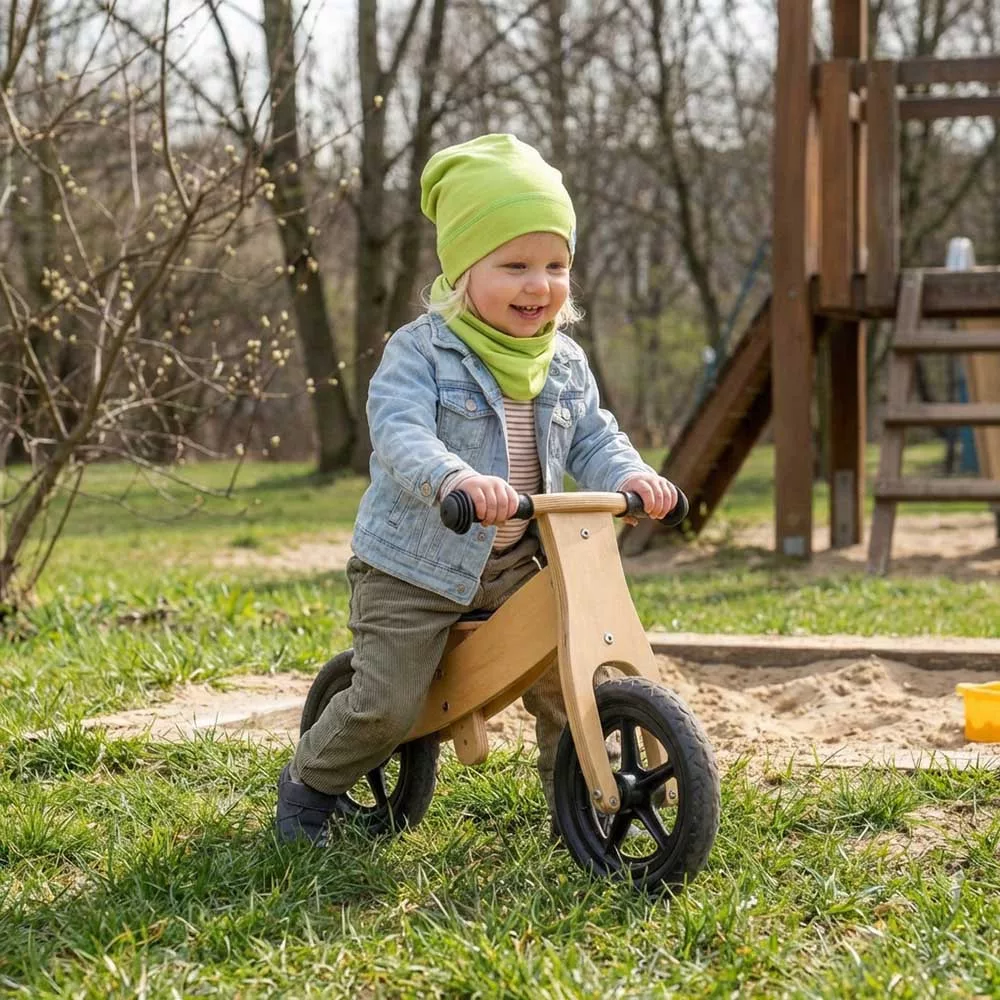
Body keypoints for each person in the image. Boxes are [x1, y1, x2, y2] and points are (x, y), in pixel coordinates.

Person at [275, 133, 678, 845]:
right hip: (414, 570)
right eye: (515, 265)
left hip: (519, 564)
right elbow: (400, 433)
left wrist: (631, 476)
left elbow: (594, 437)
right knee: (388, 707)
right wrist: (455, 477)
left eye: (555, 266)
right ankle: (311, 783)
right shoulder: (421, 351)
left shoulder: (564, 362)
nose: (538, 285)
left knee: (572, 679)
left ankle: (586, 809)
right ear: (464, 271)